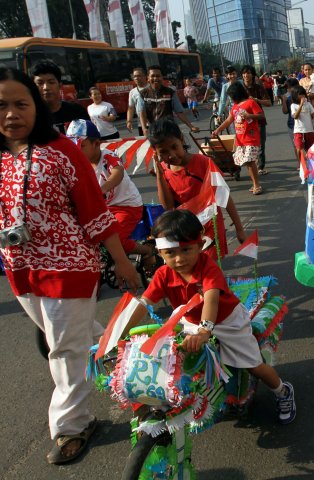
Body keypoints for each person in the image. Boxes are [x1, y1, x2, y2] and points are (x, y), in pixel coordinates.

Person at [0, 67, 140, 465]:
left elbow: (95, 212)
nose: (11, 114)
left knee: (61, 349)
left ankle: (71, 425)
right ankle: (129, 358)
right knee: (77, 338)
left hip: (70, 268)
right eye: (1, 105)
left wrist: (121, 262)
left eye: (20, 104)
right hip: (20, 270)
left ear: (36, 108)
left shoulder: (63, 151)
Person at [126, 209, 296, 424]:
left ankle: (282, 391)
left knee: (252, 364)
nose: (179, 259)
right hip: (191, 321)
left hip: (226, 321)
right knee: (172, 360)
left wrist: (205, 330)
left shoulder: (208, 268)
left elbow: (211, 300)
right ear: (160, 253)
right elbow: (143, 304)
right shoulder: (162, 274)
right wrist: (117, 333)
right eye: (170, 253)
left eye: (186, 249)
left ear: (199, 246)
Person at [65, 119, 157, 271]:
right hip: (101, 207)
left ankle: (147, 250)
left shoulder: (108, 156)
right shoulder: (78, 163)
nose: (76, 151)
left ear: (96, 143)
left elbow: (117, 173)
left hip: (126, 206)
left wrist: (102, 190)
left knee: (116, 241)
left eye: (81, 145)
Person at [149, 117, 246, 259]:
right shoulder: (163, 170)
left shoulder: (204, 163)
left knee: (208, 267)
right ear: (155, 152)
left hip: (209, 226)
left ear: (181, 140)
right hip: (184, 230)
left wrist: (239, 228)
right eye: (163, 152)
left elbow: (224, 197)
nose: (171, 155)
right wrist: (159, 174)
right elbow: (168, 206)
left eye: (174, 147)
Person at [212, 82, 265, 195]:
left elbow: (261, 115)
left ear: (236, 94)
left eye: (232, 96)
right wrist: (217, 130)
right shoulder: (235, 107)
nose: (231, 99)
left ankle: (257, 185)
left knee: (250, 162)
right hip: (241, 140)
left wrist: (249, 116)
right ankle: (254, 183)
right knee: (246, 162)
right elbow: (228, 121)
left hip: (251, 138)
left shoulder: (250, 103)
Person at [30, 60, 89, 134]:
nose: (46, 87)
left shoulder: (77, 111)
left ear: (60, 85)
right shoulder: (29, 118)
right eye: (40, 83)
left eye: (51, 82)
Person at [138, 65, 199, 133]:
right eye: (153, 76)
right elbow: (142, 112)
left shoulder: (170, 92)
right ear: (148, 78)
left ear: (162, 78)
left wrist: (191, 126)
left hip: (169, 129)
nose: (155, 78)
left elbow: (179, 112)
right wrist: (144, 129)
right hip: (153, 131)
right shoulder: (142, 94)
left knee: (181, 143)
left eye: (158, 76)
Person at [239, 65, 271, 175]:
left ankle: (260, 167)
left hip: (259, 120)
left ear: (252, 75)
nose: (246, 75)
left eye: (248, 73)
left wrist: (256, 100)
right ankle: (250, 166)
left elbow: (269, 102)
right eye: (244, 73)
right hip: (243, 122)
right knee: (245, 145)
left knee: (260, 144)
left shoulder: (258, 88)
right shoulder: (239, 88)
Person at [290, 85, 314, 163]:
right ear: (295, 96)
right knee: (299, 149)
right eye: (300, 95)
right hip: (299, 131)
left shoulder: (308, 104)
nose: (302, 96)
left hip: (309, 131)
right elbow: (295, 116)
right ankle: (302, 164)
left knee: (313, 148)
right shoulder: (293, 105)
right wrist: (301, 105)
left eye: (303, 94)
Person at [126, 67, 148, 135]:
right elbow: (131, 108)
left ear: (145, 76)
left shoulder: (151, 88)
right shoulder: (132, 92)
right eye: (134, 76)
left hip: (154, 122)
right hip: (141, 124)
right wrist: (129, 121)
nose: (136, 78)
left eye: (139, 76)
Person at [281, 77, 301, 147]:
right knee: (296, 146)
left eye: (289, 87)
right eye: (287, 88)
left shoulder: (302, 96)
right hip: (292, 125)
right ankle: (299, 158)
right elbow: (285, 111)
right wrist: (284, 100)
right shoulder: (287, 98)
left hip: (303, 126)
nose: (288, 89)